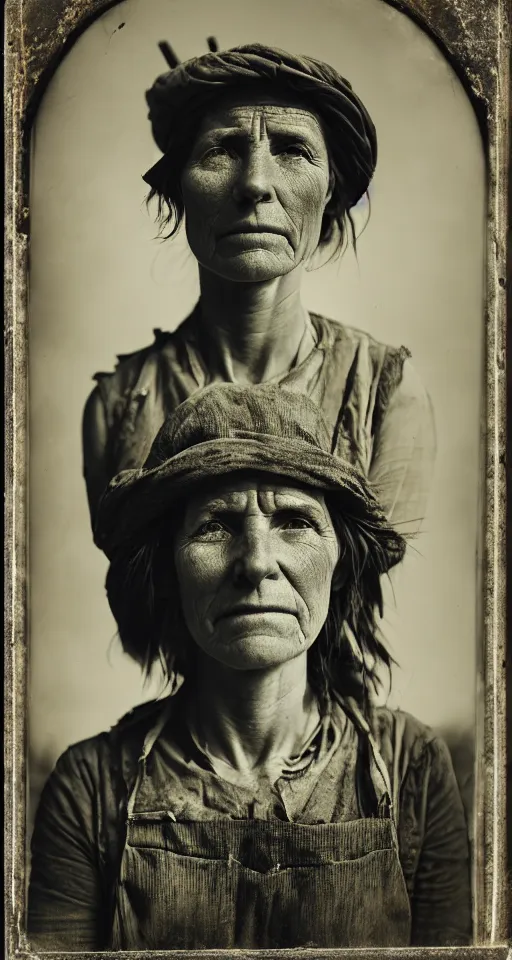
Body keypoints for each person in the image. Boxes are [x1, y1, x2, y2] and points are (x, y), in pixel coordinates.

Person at [30, 384, 470, 951]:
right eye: (215, 524)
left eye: (294, 520)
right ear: (168, 571)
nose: (257, 562)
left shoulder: (414, 770)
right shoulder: (90, 790)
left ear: (338, 563)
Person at [82, 40, 436, 536]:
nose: (255, 184)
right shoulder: (118, 405)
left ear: (331, 188)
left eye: (293, 150)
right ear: (179, 183)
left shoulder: (386, 391)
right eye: (221, 149)